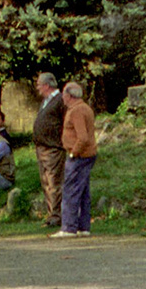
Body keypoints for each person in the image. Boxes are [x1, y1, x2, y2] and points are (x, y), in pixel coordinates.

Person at [52, 82, 96, 238]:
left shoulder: (76, 111)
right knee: (83, 191)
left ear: (69, 95)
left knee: (70, 191)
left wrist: (73, 153)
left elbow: (82, 137)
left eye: (64, 94)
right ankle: (83, 227)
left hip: (79, 156)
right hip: (87, 155)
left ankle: (69, 227)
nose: (62, 97)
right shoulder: (85, 108)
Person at [33, 73, 66, 229]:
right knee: (45, 182)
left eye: (39, 84)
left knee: (54, 182)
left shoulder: (59, 100)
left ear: (47, 85)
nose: (37, 88)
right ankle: (51, 213)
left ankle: (57, 215)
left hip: (53, 147)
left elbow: (65, 122)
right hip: (42, 148)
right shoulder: (45, 101)